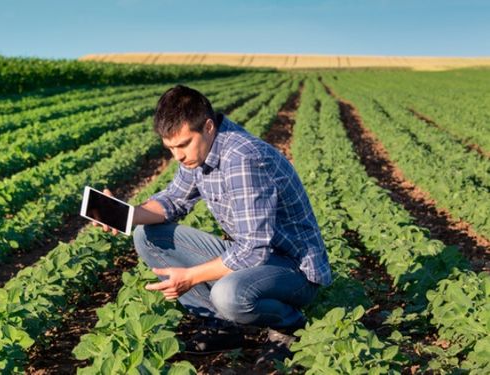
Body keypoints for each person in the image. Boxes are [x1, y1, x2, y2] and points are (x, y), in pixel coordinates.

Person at [98, 84, 332, 358]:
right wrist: (124, 213)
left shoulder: (242, 159)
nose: (178, 156)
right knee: (147, 236)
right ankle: (223, 326)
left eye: (184, 144)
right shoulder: (199, 153)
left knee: (227, 294)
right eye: (170, 147)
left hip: (294, 271)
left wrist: (189, 278)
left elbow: (254, 251)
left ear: (208, 127)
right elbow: (173, 200)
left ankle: (289, 326)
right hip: (256, 259)